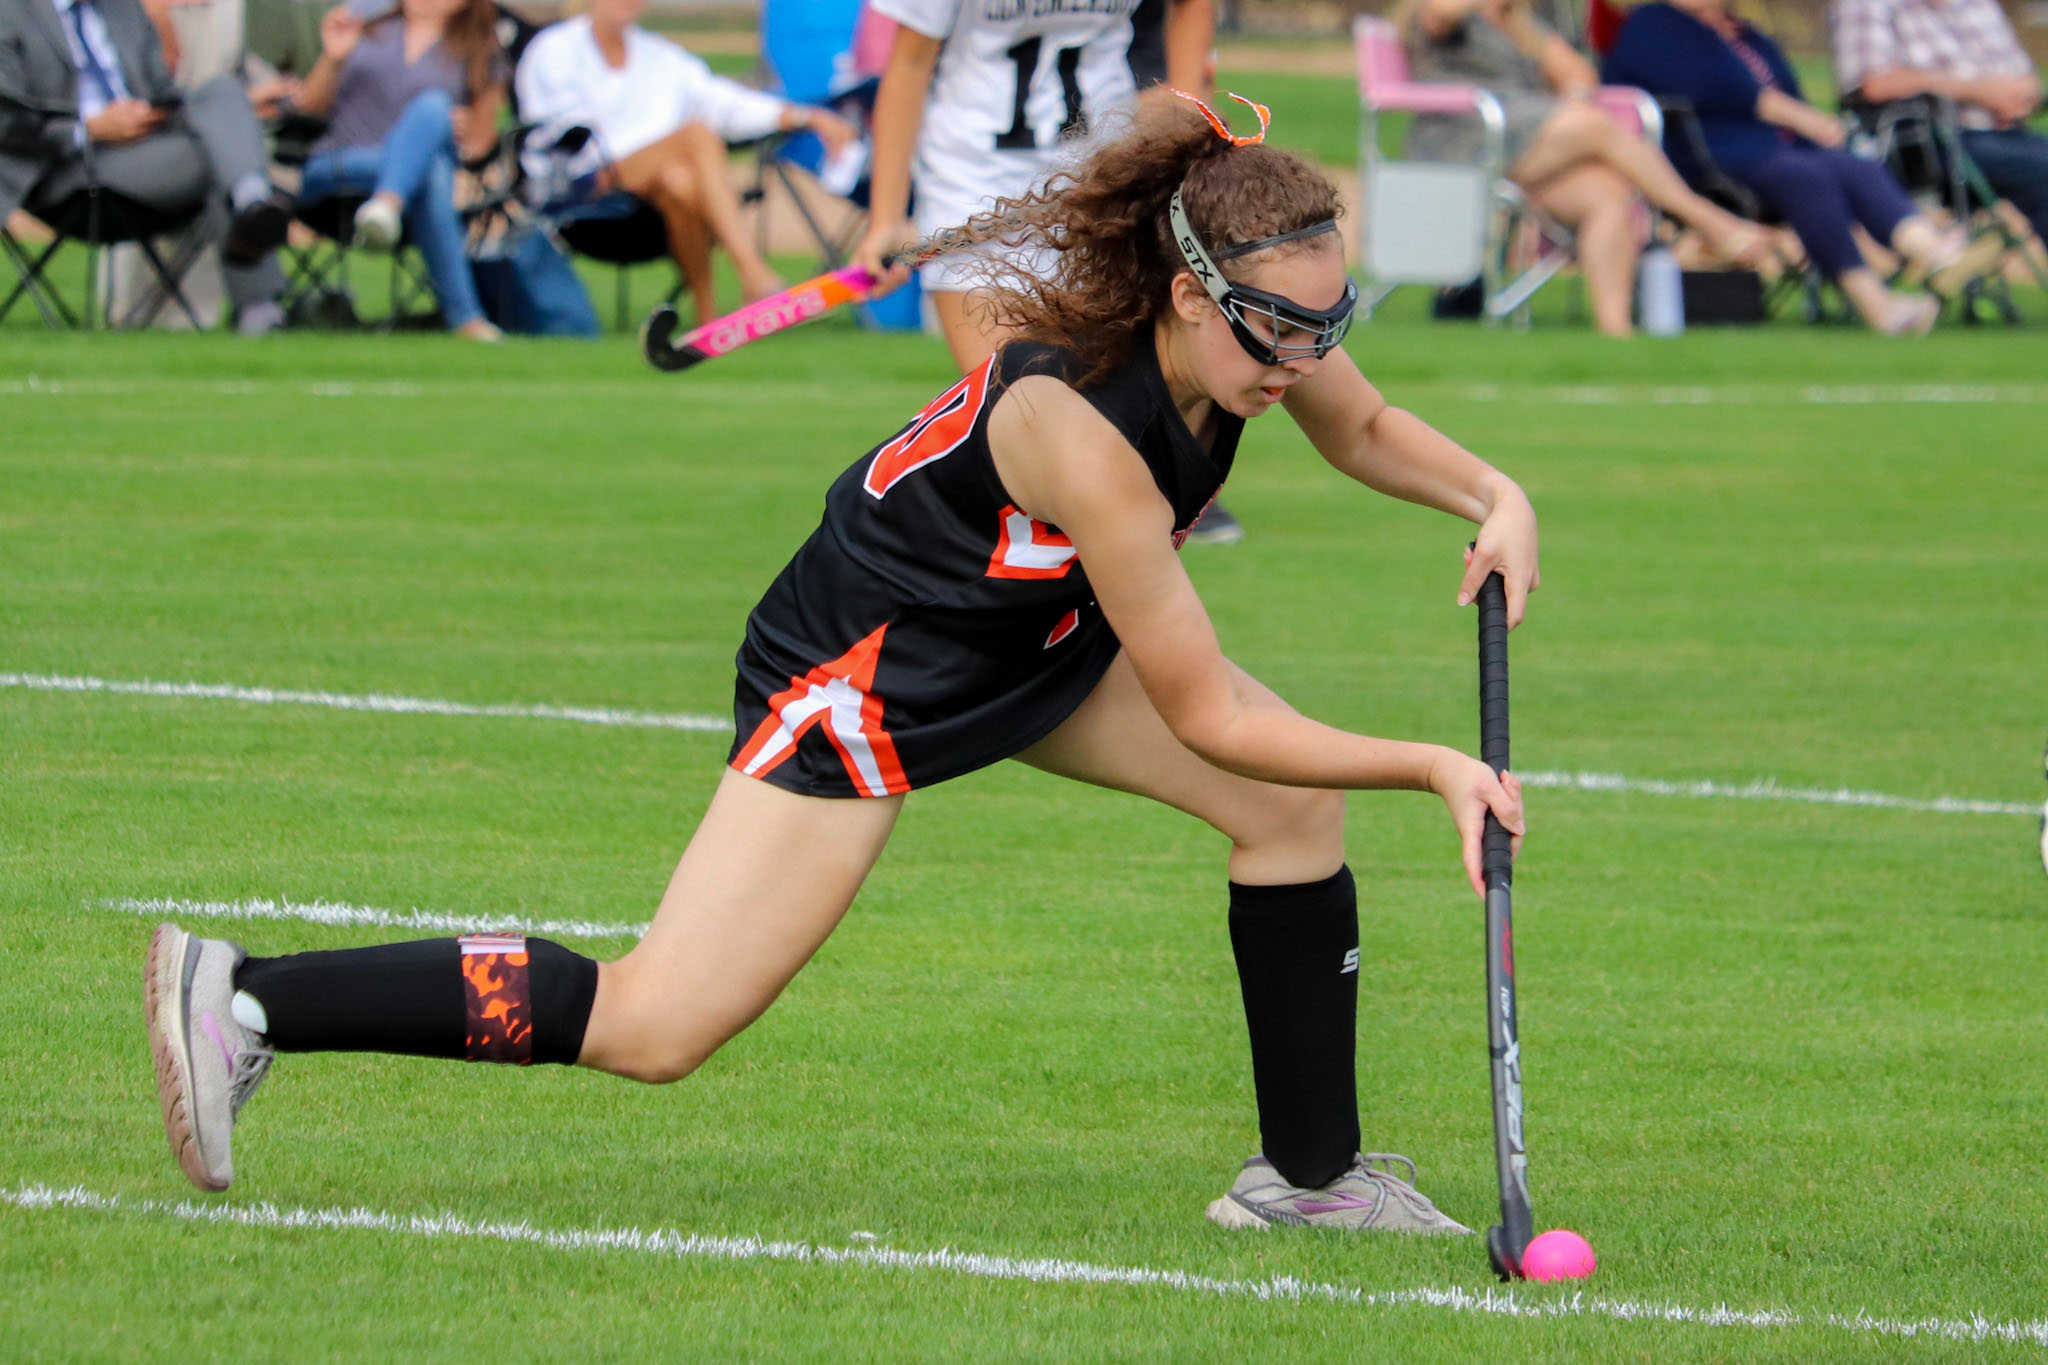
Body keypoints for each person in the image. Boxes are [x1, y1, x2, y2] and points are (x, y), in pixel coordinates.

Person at [144, 94, 1535, 1233]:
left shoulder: (1249, 338)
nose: (1302, 360)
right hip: (868, 670)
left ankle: (1306, 1182)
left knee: (1290, 809)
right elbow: (1207, 707)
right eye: (1281, 330)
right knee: (657, 1021)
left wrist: (1494, 494)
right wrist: (1432, 765)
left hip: (1024, 636)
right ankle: (251, 998)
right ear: (1187, 292)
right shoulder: (1082, 429)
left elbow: (1366, 429)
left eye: (1326, 327)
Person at [1603, 0, 1987, 334]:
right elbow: (1707, 84)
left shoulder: (1744, 34)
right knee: (1808, 177)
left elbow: (1786, 86)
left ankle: (1929, 249)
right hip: (1708, 155)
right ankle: (1876, 305)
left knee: (1856, 168)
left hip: (1778, 149)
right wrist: (1794, 115)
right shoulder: (1652, 25)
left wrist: (1811, 125)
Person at [1397, 0, 1770, 337]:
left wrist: (1569, 93)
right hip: (1465, 140)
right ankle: (1707, 219)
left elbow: (1581, 75)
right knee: (1596, 125)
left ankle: (1615, 332)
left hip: (1526, 143)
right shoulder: (1443, 16)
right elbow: (1440, 13)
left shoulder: (1518, 22)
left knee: (1606, 194)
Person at [515, 0, 855, 327]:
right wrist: (661, 148)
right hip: (577, 187)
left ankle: (707, 318)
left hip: (653, 196)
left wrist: (803, 116)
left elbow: (725, 103)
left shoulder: (661, 58)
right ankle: (755, 276)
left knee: (681, 181)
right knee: (696, 137)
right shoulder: (553, 50)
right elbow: (558, 137)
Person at [0, 0, 293, 332]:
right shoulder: (10, 10)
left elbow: (163, 92)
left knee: (223, 92)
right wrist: (89, 128)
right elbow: (6, 119)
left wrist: (228, 107)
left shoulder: (122, 8)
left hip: (148, 148)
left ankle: (252, 205)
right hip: (64, 167)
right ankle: (259, 288)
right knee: (226, 151)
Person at [285, 0, 508, 341]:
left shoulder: (479, 51)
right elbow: (307, 109)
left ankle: (386, 205)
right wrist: (333, 58)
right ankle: (465, 317)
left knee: (433, 131)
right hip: (337, 167)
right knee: (431, 151)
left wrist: (457, 129)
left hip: (424, 185)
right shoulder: (363, 31)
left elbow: (480, 144)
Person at [1830, 0, 2048, 249]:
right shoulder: (1867, 4)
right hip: (1929, 145)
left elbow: (2025, 74)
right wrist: (1976, 91)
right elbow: (1872, 83)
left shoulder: (1978, 5)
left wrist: (2023, 93)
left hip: (2006, 135)